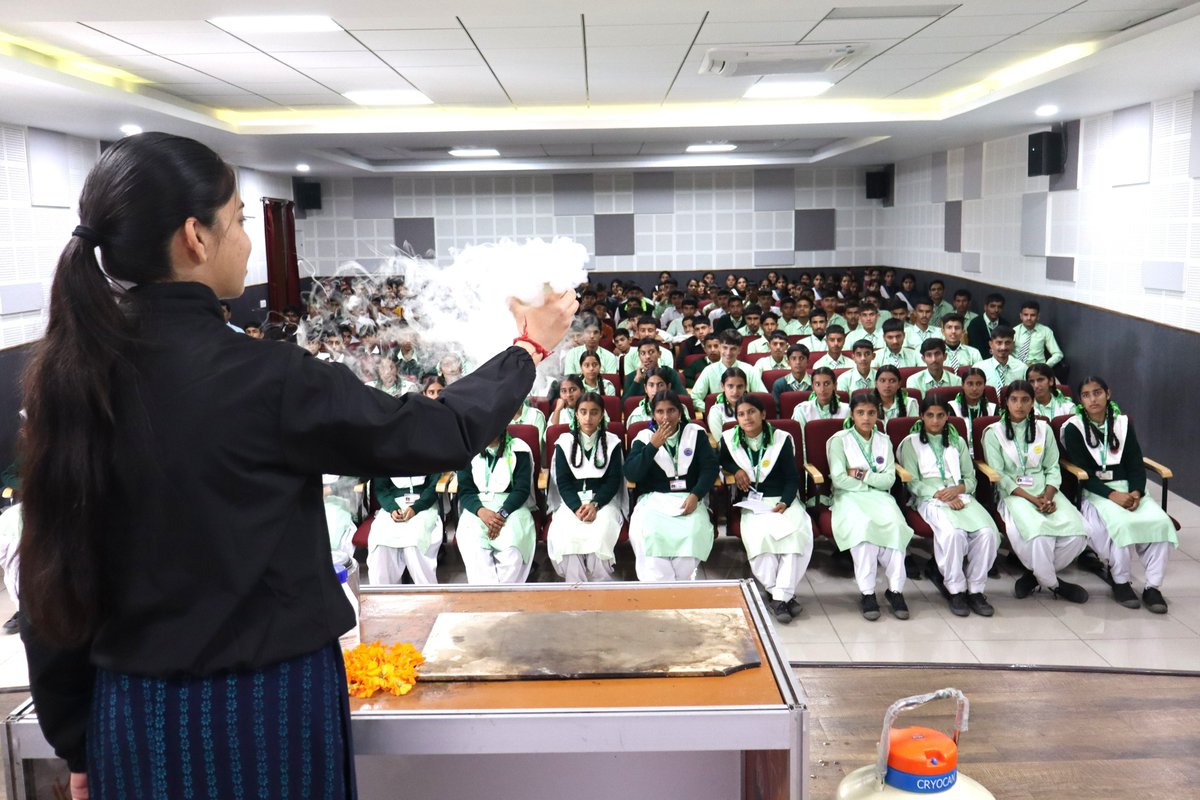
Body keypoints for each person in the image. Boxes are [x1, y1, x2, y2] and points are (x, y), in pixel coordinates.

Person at [15, 132, 575, 800]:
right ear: (196, 237)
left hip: (135, 718)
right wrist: (528, 348)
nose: (248, 241)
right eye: (242, 222)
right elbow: (434, 431)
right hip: (269, 707)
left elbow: (50, 576)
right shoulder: (266, 378)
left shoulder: (67, 379)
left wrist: (78, 740)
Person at [1060, 377, 1176, 614]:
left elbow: (1135, 463)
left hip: (1127, 488)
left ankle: (1153, 586)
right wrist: (1113, 495)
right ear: (1080, 400)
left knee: (1160, 523)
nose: (1093, 399)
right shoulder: (1074, 427)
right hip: (1095, 491)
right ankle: (1121, 581)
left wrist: (1135, 492)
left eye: (1097, 393)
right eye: (1086, 395)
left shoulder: (1122, 423)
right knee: (1120, 524)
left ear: (1107, 394)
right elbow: (1084, 474)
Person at [982, 381, 1089, 603]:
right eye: (1014, 399)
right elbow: (1000, 475)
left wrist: (1048, 496)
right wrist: (1032, 499)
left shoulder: (1044, 428)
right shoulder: (994, 433)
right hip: (1014, 493)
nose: (1019, 405)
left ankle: (1035, 576)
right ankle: (1055, 584)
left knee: (1079, 532)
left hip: (1046, 490)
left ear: (1032, 403)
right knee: (1040, 533)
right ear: (1005, 402)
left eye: (1025, 400)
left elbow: (1052, 467)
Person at [897, 397, 998, 617]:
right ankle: (956, 590)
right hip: (929, 497)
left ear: (947, 417)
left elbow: (971, 479)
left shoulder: (957, 441)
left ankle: (976, 590)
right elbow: (912, 482)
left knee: (987, 534)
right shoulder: (911, 442)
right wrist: (939, 494)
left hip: (961, 496)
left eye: (940, 415)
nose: (935, 420)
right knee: (954, 534)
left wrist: (958, 489)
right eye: (930, 415)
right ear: (922, 416)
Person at [718, 397, 812, 623]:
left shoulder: (780, 439)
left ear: (762, 414)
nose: (747, 418)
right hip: (753, 502)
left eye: (751, 412)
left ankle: (778, 597)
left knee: (797, 536)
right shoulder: (730, 439)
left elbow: (792, 478)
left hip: (781, 500)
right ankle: (783, 596)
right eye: (741, 414)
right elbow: (721, 461)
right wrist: (736, 469)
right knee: (760, 540)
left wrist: (786, 502)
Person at [827, 392, 915, 620]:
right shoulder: (839, 440)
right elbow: (838, 479)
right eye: (860, 413)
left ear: (878, 414)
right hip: (848, 497)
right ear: (852, 414)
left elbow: (889, 480)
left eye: (871, 413)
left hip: (880, 496)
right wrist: (869, 482)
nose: (866, 418)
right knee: (863, 529)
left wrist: (859, 473)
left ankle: (895, 590)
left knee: (896, 526)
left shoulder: (883, 440)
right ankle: (867, 593)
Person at [624, 392, 718, 581]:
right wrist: (652, 446)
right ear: (653, 415)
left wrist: (696, 494)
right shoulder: (644, 436)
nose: (665, 417)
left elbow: (710, 468)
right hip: (653, 500)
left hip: (688, 497)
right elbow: (632, 473)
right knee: (647, 533)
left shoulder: (695, 433)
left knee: (692, 534)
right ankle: (660, 588)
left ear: (680, 412)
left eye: (671, 411)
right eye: (660, 412)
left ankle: (678, 585)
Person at [547, 393, 628, 582]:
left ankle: (600, 588)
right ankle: (576, 588)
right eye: (583, 412)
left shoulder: (612, 442)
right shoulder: (564, 442)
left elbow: (613, 480)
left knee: (599, 538)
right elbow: (563, 482)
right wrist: (576, 507)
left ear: (601, 415)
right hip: (571, 503)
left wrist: (595, 504)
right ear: (576, 414)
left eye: (594, 412)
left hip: (604, 502)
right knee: (567, 539)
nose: (588, 418)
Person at [455, 431, 538, 585]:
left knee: (512, 552)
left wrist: (501, 514)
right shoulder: (468, 450)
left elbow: (521, 489)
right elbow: (465, 491)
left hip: (511, 508)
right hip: (477, 509)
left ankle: (502, 598)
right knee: (473, 548)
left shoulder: (519, 448)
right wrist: (481, 511)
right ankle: (488, 599)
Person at [367, 472, 443, 585]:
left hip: (424, 505)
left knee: (415, 543)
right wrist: (392, 508)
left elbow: (433, 487)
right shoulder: (385, 457)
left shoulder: (431, 455)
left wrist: (416, 507)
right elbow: (380, 489)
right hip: (392, 505)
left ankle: (428, 592)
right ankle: (383, 596)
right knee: (381, 543)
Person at [690, 329, 766, 404]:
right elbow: (694, 398)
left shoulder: (750, 370)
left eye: (733, 349)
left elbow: (764, 397)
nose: (728, 353)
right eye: (725, 348)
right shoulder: (709, 370)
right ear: (719, 347)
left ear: (739, 350)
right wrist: (710, 409)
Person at [948, 368, 996, 455]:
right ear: (962, 385)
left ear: (984, 385)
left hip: (987, 455)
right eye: (970, 384)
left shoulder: (992, 408)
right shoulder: (952, 407)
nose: (974, 388)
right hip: (960, 454)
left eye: (979, 384)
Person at [1013, 300, 1064, 367]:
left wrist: (1045, 366)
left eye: (1033, 315)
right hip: (1017, 367)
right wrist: (1020, 365)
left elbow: (1058, 354)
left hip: (1038, 369)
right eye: (1026, 315)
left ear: (1038, 316)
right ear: (1021, 316)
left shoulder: (1046, 331)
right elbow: (1007, 354)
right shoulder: (1014, 331)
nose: (1029, 318)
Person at [706, 368, 748, 441]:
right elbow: (720, 441)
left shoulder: (753, 407)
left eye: (740, 386)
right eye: (730, 386)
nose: (735, 391)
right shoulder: (716, 411)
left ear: (745, 387)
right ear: (723, 386)